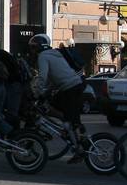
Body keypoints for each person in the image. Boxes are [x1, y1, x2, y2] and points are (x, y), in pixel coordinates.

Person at [28, 33, 86, 161]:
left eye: (33, 47)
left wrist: (36, 93)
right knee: (55, 108)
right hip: (75, 86)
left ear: (39, 47)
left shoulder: (43, 56)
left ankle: (79, 149)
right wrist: (45, 92)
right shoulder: (55, 54)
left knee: (69, 119)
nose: (32, 51)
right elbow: (53, 78)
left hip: (70, 89)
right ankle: (71, 129)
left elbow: (43, 77)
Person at [0, 37, 25, 125]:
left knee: (10, 109)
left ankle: (13, 129)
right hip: (16, 83)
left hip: (12, 84)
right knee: (11, 108)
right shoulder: (4, 54)